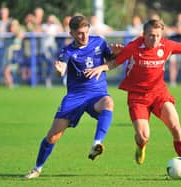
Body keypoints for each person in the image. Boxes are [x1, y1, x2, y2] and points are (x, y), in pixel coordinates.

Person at [85, 19, 181, 177]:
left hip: (159, 94)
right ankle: (140, 146)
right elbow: (114, 63)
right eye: (151, 35)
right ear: (143, 34)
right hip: (138, 97)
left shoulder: (166, 45)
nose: (155, 39)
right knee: (143, 136)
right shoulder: (133, 47)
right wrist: (101, 68)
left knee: (175, 125)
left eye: (158, 35)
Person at [25, 15, 121, 179]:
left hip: (97, 94)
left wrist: (113, 58)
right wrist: (58, 70)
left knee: (109, 102)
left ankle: (96, 143)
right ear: (71, 33)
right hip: (75, 97)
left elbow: (113, 61)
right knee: (53, 136)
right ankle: (37, 168)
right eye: (79, 34)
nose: (83, 36)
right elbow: (61, 67)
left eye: (85, 32)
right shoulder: (68, 50)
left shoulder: (99, 42)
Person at [168, 12, 181, 86]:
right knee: (172, 65)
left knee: (180, 66)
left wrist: (177, 30)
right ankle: (172, 81)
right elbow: (168, 31)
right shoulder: (174, 24)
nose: (180, 19)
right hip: (173, 49)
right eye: (179, 17)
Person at [0, 7, 11, 85]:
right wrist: (3, 23)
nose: (3, 14)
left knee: (9, 65)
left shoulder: (10, 22)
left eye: (5, 13)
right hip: (0, 46)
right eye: (2, 13)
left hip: (8, 47)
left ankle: (8, 82)